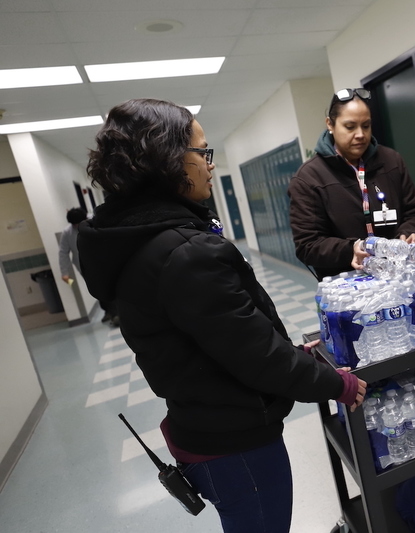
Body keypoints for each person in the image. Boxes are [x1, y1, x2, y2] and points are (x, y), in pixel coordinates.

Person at [77, 98, 366, 533]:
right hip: (236, 444)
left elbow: (217, 338)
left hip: (200, 424)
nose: (210, 165)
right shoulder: (185, 251)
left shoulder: (139, 241)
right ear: (169, 161)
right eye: (203, 152)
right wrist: (336, 383)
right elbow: (256, 355)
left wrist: (290, 352)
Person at [288, 87, 415, 280]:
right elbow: (308, 246)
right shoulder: (309, 178)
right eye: (350, 126)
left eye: (366, 125)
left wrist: (409, 233)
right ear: (330, 124)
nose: (360, 134)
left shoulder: (391, 161)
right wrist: (352, 249)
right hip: (348, 286)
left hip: (400, 277)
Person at [58, 207, 118, 325]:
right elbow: (63, 252)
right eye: (74, 225)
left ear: (85, 218)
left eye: (79, 223)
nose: (77, 226)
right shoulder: (67, 233)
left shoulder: (96, 221)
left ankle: (116, 314)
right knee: (97, 289)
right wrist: (64, 273)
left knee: (109, 286)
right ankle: (109, 312)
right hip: (85, 266)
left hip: (103, 262)